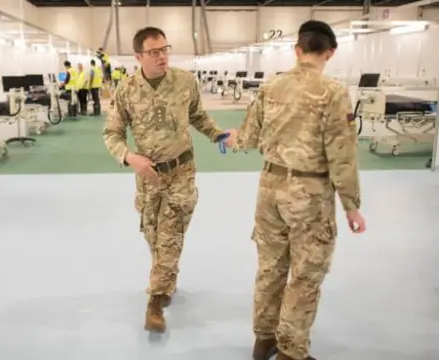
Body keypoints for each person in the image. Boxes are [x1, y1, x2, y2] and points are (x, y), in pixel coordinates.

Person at [222, 20, 366, 360]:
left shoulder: (271, 87)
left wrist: (232, 138)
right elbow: (342, 154)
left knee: (270, 268)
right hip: (309, 194)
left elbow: (248, 137)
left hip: (270, 189)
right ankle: (291, 350)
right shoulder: (332, 92)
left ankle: (264, 340)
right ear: (329, 53)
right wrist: (351, 205)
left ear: (297, 50)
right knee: (305, 274)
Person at [102, 26, 228, 333]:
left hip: (181, 172)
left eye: (165, 49)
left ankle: (155, 301)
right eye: (154, 52)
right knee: (154, 236)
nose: (162, 56)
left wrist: (218, 134)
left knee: (170, 235)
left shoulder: (185, 82)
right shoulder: (127, 89)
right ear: (138, 56)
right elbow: (112, 133)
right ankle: (167, 279)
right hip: (149, 177)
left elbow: (198, 115)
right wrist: (129, 157)